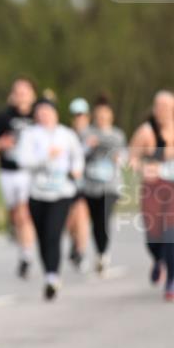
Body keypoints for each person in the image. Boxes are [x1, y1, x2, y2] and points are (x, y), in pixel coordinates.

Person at [15, 99, 85, 301]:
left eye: (48, 111)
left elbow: (77, 155)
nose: (44, 115)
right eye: (40, 112)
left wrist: (76, 170)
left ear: (55, 113)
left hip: (62, 192)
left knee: (54, 233)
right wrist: (46, 157)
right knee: (43, 236)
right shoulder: (30, 135)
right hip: (37, 193)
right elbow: (23, 161)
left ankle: (52, 277)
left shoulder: (66, 134)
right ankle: (49, 272)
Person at [0, 76, 38, 278]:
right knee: (14, 212)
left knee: (23, 213)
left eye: (24, 92)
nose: (21, 96)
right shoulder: (3, 117)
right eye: (17, 92)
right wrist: (1, 144)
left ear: (32, 95)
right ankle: (14, 229)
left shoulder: (39, 116)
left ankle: (26, 255)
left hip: (29, 172)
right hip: (7, 171)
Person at [128, 90, 174, 300]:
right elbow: (131, 158)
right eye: (159, 107)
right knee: (153, 237)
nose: (162, 111)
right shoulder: (146, 132)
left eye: (167, 107)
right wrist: (141, 168)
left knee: (171, 234)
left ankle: (171, 282)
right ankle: (158, 259)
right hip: (153, 188)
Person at [81, 96, 127, 274]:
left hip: (110, 185)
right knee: (96, 221)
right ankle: (100, 252)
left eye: (104, 115)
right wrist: (87, 146)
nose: (101, 119)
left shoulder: (117, 135)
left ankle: (104, 253)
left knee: (104, 217)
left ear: (111, 116)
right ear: (94, 116)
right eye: (98, 115)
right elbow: (78, 155)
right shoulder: (86, 133)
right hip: (91, 185)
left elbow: (124, 158)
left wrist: (118, 158)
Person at [65, 97, 92, 271]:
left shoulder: (94, 134)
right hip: (70, 183)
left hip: (89, 185)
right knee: (70, 221)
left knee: (82, 215)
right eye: (75, 116)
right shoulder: (67, 136)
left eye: (81, 115)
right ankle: (75, 244)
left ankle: (81, 251)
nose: (78, 119)